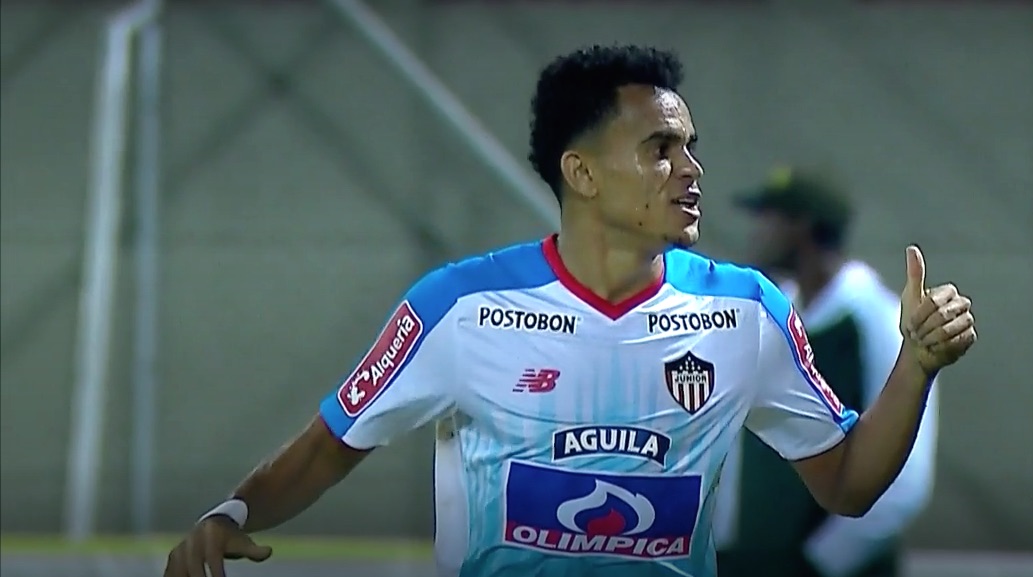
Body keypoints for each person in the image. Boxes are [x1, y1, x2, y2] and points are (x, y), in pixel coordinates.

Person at [162, 46, 976, 577]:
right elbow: (326, 449)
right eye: (660, 148)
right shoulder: (460, 306)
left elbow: (848, 484)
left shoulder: (746, 310)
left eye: (690, 145)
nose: (688, 168)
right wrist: (229, 512)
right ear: (581, 174)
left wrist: (915, 364)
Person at [713, 167, 939, 577]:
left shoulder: (878, 319)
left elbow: (904, 479)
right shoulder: (776, 316)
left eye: (767, 217)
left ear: (802, 226)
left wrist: (819, 562)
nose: (755, 231)